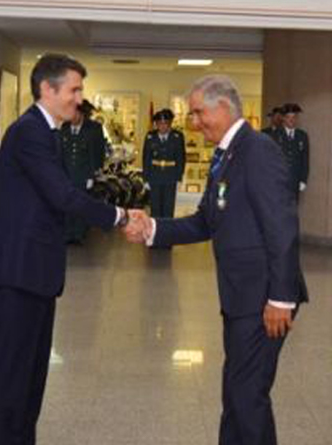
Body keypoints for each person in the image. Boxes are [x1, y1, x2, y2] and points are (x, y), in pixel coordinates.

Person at [125, 74, 307, 445]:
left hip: (263, 297)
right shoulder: (227, 154)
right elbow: (206, 220)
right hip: (241, 296)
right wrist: (152, 229)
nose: (193, 123)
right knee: (237, 391)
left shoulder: (258, 150)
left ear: (222, 107)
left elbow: (282, 226)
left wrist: (281, 298)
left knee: (247, 395)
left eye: (197, 113)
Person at [0, 53, 133, 445]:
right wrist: (119, 216)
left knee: (31, 382)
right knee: (13, 383)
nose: (79, 98)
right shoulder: (29, 132)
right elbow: (63, 195)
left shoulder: (48, 132)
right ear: (47, 89)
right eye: (74, 89)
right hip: (17, 276)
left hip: (36, 276)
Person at [59, 100, 108, 244]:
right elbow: (61, 152)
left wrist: (92, 174)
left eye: (75, 113)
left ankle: (79, 234)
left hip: (83, 174)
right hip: (67, 173)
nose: (72, 117)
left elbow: (98, 152)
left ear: (82, 114)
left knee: (81, 204)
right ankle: (68, 233)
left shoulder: (94, 128)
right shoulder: (65, 127)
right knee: (67, 204)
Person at [141, 108, 185, 221]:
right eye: (160, 123)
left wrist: (179, 177)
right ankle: (156, 233)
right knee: (155, 207)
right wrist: (145, 178)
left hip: (170, 176)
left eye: (166, 123)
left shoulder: (177, 136)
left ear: (170, 124)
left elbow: (181, 158)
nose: (163, 126)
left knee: (168, 208)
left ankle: (168, 233)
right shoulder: (150, 136)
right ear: (156, 124)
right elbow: (146, 158)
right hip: (154, 176)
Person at [275, 103, 310, 195]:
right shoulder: (275, 135)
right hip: (278, 180)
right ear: (283, 118)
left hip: (295, 181)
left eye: (294, 117)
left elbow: (305, 159)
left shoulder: (302, 136)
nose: (291, 120)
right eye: (288, 117)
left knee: (293, 207)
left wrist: (303, 179)